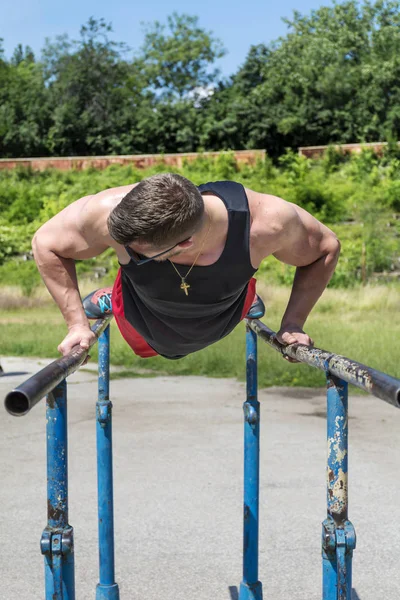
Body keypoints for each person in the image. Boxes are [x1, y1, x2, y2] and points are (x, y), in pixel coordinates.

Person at [31, 174, 340, 361]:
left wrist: (293, 324)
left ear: (184, 245)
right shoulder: (106, 212)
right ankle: (110, 299)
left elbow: (326, 248)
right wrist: (76, 325)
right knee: (144, 338)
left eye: (141, 254)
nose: (127, 249)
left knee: (237, 282)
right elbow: (45, 243)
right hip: (141, 321)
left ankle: (247, 298)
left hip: (222, 315)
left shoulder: (267, 224)